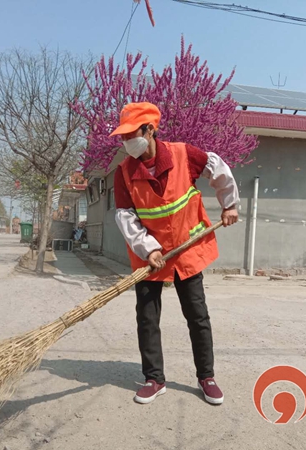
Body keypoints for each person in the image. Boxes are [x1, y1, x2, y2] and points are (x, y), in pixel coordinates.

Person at [111, 102, 240, 405]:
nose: (126, 141)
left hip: (186, 251)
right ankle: (154, 378)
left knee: (197, 315)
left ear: (150, 130)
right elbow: (126, 217)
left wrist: (229, 204)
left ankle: (206, 376)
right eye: (123, 136)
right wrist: (149, 248)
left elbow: (218, 169)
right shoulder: (124, 173)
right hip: (149, 255)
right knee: (147, 317)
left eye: (131, 134)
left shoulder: (184, 154)